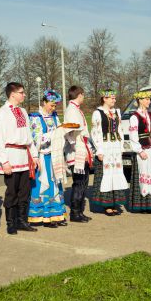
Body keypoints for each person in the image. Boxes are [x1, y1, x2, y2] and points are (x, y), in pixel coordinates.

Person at [0, 82, 39, 234]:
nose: (24, 95)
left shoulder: (23, 111)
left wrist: (34, 155)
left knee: (24, 192)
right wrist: (4, 161)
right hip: (11, 156)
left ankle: (22, 221)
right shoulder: (3, 113)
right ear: (12, 94)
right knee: (12, 192)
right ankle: (11, 223)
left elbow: (29, 136)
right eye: (21, 92)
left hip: (24, 157)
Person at [27, 89, 68, 227]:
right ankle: (43, 216)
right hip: (42, 156)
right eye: (51, 105)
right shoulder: (35, 117)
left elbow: (59, 132)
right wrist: (54, 134)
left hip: (54, 155)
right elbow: (35, 139)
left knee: (55, 184)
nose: (53, 108)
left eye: (55, 105)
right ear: (44, 102)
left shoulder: (55, 117)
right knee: (43, 185)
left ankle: (56, 214)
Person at [90, 88, 129, 216]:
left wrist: (122, 146)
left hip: (115, 146)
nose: (114, 100)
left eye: (114, 97)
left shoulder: (116, 112)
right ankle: (106, 204)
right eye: (111, 98)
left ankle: (114, 202)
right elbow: (95, 132)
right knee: (106, 173)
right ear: (104, 99)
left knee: (116, 172)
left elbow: (120, 130)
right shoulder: (98, 113)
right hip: (105, 146)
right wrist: (99, 150)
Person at [127, 90, 151, 213]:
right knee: (143, 173)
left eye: (149, 99)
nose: (149, 101)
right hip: (142, 148)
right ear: (140, 100)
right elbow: (133, 135)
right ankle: (141, 204)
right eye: (146, 99)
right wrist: (139, 150)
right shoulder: (134, 117)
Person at [64, 86, 93, 223]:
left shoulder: (76, 109)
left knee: (84, 182)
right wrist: (77, 147)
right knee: (79, 182)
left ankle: (79, 211)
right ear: (79, 95)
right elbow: (69, 132)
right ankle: (75, 213)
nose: (84, 97)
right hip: (77, 151)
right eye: (83, 95)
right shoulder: (71, 110)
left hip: (82, 147)